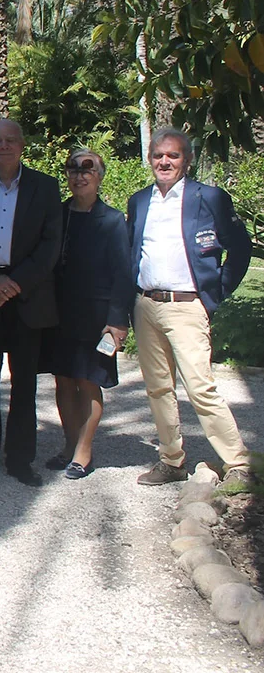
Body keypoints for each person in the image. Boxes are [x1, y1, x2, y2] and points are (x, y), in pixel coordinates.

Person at [129, 127, 254, 487]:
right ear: (150, 159)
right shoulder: (139, 201)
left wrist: (215, 293)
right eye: (158, 155)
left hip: (187, 306)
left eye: (173, 155)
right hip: (146, 305)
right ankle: (172, 461)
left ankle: (237, 463)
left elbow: (240, 248)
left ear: (187, 159)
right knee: (157, 389)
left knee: (201, 388)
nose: (164, 161)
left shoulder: (209, 198)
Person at [0, 119, 62, 487]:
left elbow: (50, 245)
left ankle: (20, 459)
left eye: (11, 140)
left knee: (24, 385)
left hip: (27, 298)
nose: (4, 146)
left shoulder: (45, 187)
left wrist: (14, 283)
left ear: (22, 145)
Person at [40, 149, 132, 479]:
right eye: (74, 169)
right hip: (59, 311)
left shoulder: (113, 220)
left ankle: (84, 450)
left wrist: (117, 321)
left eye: (87, 169)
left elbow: (123, 274)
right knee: (63, 380)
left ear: (99, 176)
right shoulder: (58, 214)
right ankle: (68, 444)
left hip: (96, 316)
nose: (80, 175)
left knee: (89, 382)